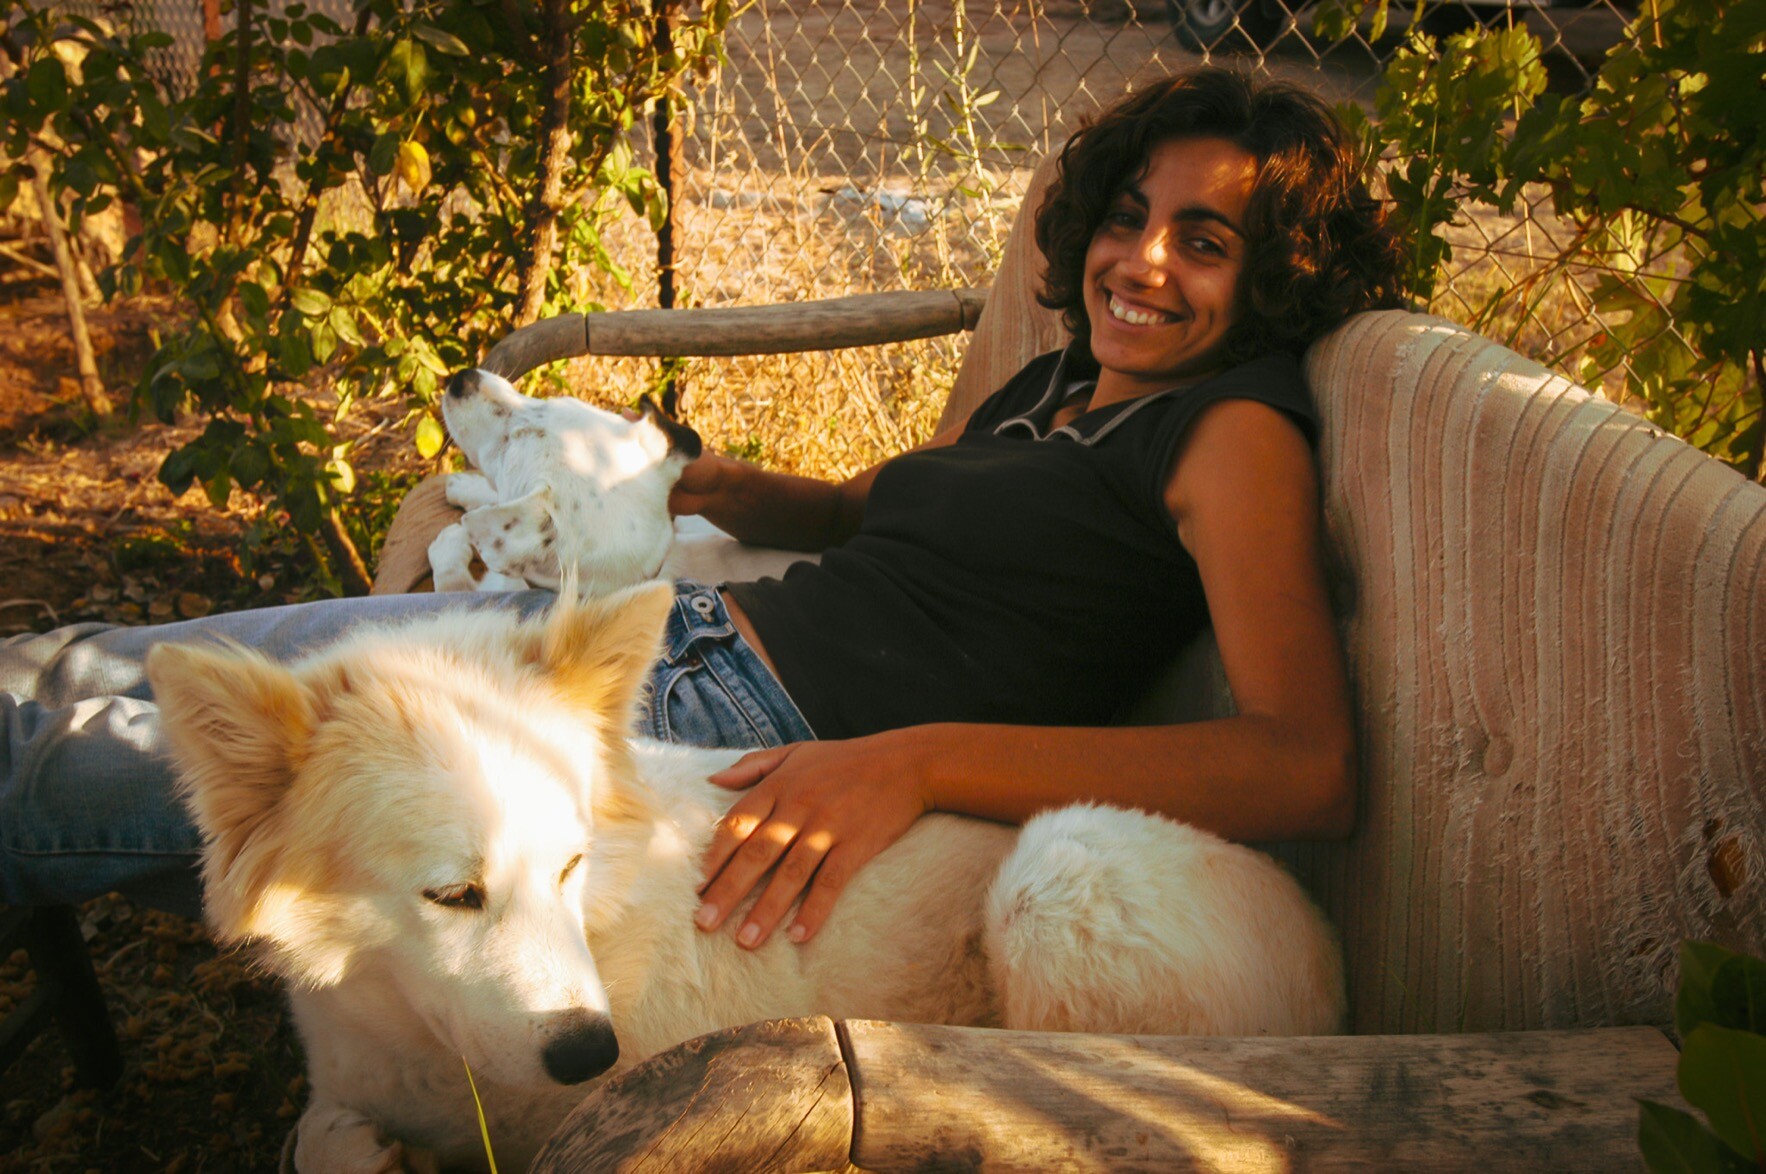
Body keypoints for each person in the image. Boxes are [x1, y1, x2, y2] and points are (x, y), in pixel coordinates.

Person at [0, 68, 1405, 950]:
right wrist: (708, 482)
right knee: (85, 664)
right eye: (1127, 215)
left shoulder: (1228, 432)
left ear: (1272, 274)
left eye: (1203, 241)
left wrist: (913, 761)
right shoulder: (1062, 383)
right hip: (635, 635)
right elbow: (878, 519)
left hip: (712, 728)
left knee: (85, 770)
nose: (1139, 259)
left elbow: (1300, 764)